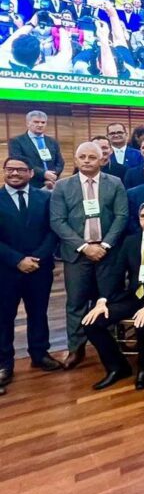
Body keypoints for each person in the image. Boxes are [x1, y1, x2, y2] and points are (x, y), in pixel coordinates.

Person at [80, 202, 144, 391]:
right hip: (134, 296)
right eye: (143, 216)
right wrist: (102, 300)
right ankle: (117, 367)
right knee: (91, 323)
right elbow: (116, 272)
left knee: (142, 322)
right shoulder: (130, 241)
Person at [50, 141, 130, 368]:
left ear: (101, 160)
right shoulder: (62, 186)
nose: (86, 161)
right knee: (76, 302)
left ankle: (112, 345)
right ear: (75, 160)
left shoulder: (115, 183)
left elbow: (121, 216)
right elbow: (57, 221)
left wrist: (104, 245)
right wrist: (85, 247)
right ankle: (76, 348)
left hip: (109, 252)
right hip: (77, 254)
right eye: (82, 157)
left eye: (91, 157)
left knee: (109, 299)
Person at [0, 156, 61, 389]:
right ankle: (4, 363)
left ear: (30, 173)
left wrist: (37, 258)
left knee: (39, 313)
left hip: (39, 268)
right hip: (6, 270)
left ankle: (40, 354)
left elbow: (52, 231)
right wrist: (18, 260)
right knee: (4, 317)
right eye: (10, 169)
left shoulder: (44, 198)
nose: (14, 173)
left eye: (20, 170)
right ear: (5, 171)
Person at [8, 109, 64, 190]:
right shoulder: (17, 141)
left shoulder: (52, 141)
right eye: (36, 122)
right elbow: (20, 163)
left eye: (43, 122)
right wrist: (43, 174)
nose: (40, 125)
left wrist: (53, 175)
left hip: (53, 184)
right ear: (28, 123)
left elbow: (60, 162)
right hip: (31, 184)